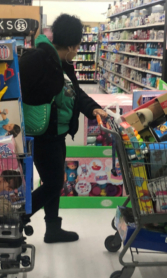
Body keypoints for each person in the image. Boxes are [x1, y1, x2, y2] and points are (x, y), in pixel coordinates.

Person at [19, 14, 107, 243]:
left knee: (54, 180)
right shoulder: (38, 58)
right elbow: (15, 86)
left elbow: (75, 93)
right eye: (78, 46)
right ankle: (19, 217)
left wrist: (93, 109)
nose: (78, 51)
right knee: (54, 182)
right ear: (71, 45)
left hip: (57, 133)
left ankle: (53, 229)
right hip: (41, 134)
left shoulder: (64, 63)